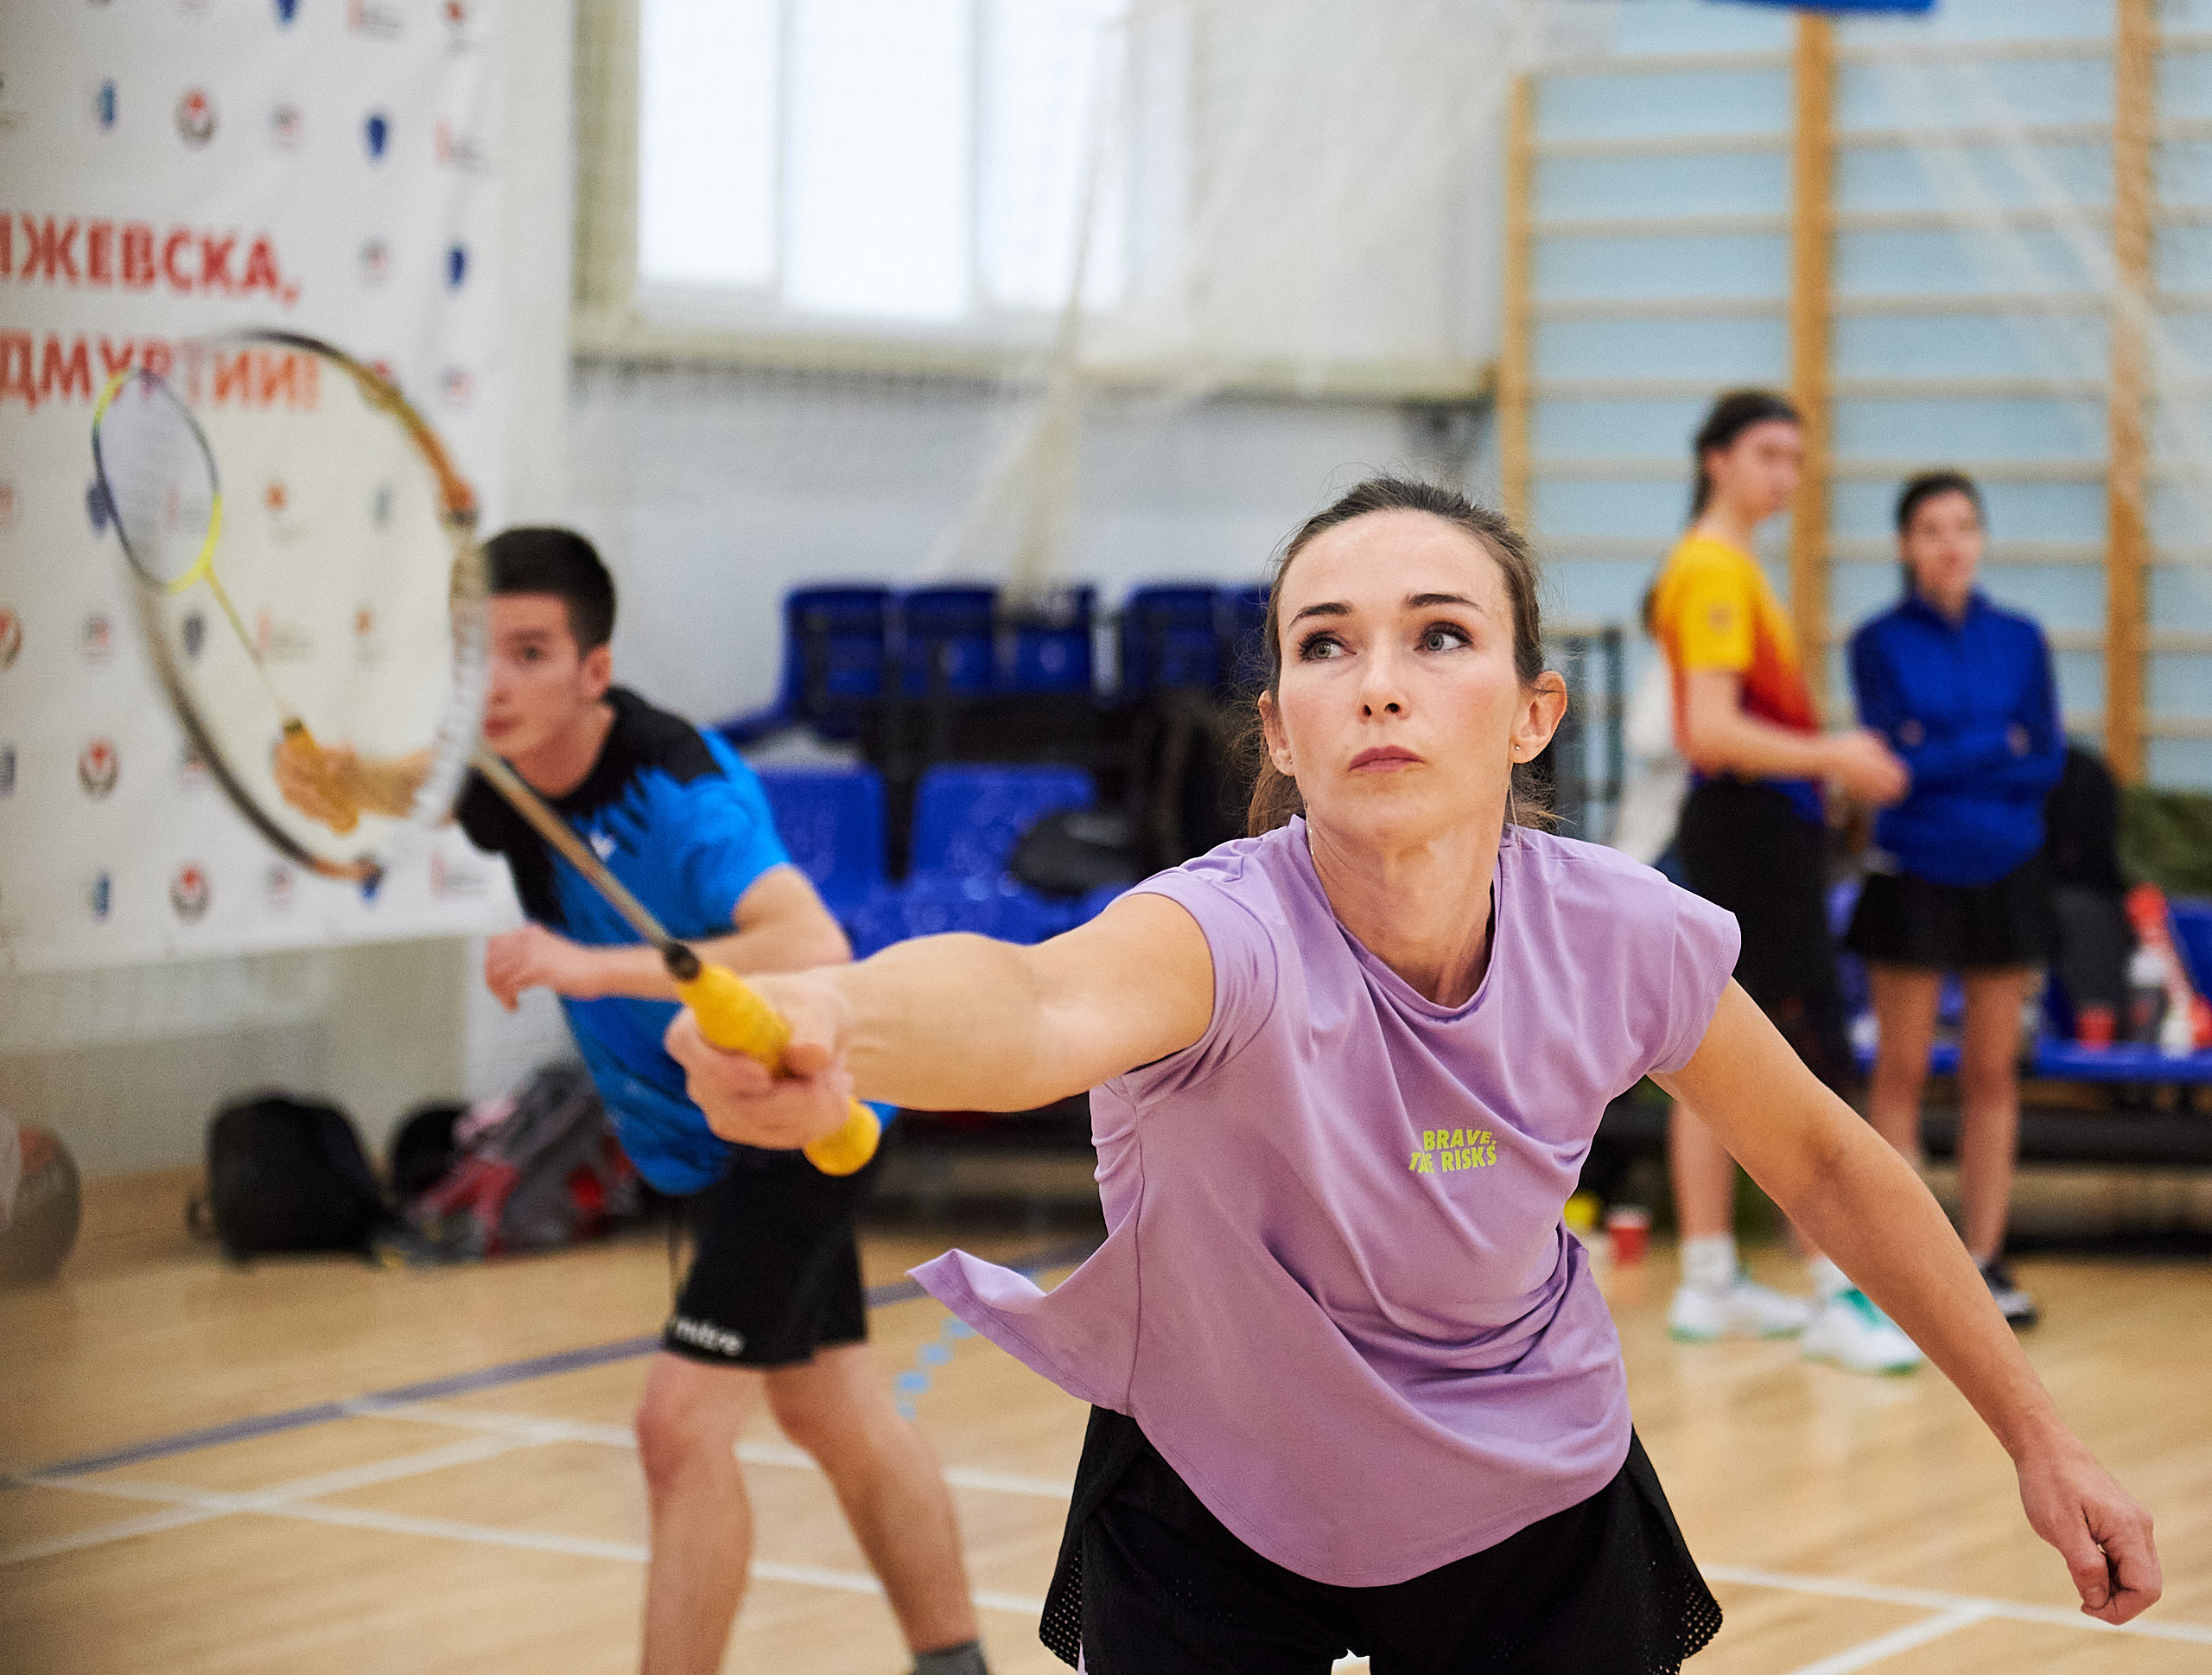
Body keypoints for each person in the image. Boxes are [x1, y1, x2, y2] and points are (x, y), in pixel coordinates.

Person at [662, 478, 2160, 1673]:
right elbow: (1037, 1002)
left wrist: (2042, 1436)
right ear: (1281, 730)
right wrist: (830, 1016)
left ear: (1532, 712)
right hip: (1214, 1481)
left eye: (1439, 634)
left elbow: (1827, 1162)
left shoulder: (1620, 930)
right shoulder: (1221, 931)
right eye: (1325, 644)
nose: (1377, 682)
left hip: (1530, 1489)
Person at [276, 529, 990, 1675]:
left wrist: (586, 965)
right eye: (476, 655)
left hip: (794, 1118)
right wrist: (337, 777)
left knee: (676, 1429)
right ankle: (956, 1663)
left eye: (529, 652)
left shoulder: (678, 791)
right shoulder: (502, 764)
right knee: (830, 1410)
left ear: (592, 672)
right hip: (705, 1143)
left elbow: (804, 939)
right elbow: (416, 779)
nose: (494, 683)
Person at [1650, 390, 1922, 1374]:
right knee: (1803, 1061)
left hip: (1750, 834)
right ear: (1716, 458)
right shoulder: (1714, 569)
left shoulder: (1724, 562)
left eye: (1795, 460)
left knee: (1713, 1055)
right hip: (1752, 837)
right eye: (1766, 454)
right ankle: (1832, 1288)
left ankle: (1711, 1277)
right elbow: (1712, 732)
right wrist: (1833, 755)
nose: (1784, 477)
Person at [1847, 472, 2066, 1328]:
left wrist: (1945, 752)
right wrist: (1990, 745)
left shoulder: (2021, 639)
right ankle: (1899, 1264)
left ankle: (1984, 1259)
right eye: (1931, 528)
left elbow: (2045, 760)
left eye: (1964, 526)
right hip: (1915, 865)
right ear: (1905, 545)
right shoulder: (1876, 642)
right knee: (1898, 1073)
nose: (1950, 543)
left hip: (2006, 862)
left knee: (1990, 1075)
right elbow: (1893, 771)